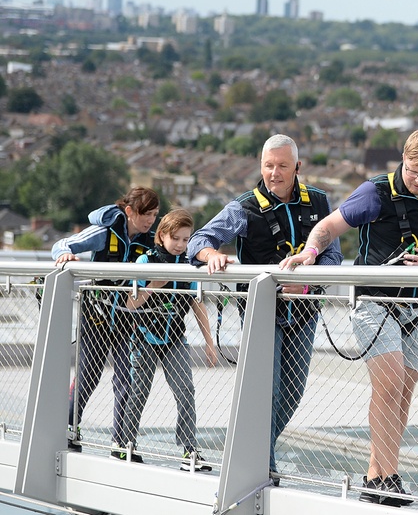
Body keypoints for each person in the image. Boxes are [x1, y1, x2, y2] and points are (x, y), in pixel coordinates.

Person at [282, 128, 418, 507]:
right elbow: (328, 227)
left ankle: (374, 476)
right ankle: (389, 476)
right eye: (412, 171)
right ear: (402, 160)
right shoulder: (375, 192)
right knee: (388, 385)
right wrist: (309, 253)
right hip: (374, 302)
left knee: (402, 394)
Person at [187, 134, 342, 482]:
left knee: (292, 392)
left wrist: (307, 280)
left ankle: (251, 451)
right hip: (260, 314)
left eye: (283, 166)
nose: (274, 173)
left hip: (304, 311)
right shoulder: (244, 207)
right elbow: (199, 240)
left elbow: (334, 254)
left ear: (297, 167)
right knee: (266, 391)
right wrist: (211, 255)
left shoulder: (319, 202)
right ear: (261, 166)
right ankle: (265, 469)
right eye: (269, 166)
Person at [51, 187, 159, 457]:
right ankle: (67, 429)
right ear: (130, 211)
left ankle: (120, 442)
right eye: (146, 214)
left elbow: (174, 250)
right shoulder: (105, 233)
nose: (150, 221)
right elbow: (62, 245)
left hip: (127, 318)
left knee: (127, 378)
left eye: (155, 215)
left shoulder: (149, 241)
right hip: (96, 316)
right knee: (88, 376)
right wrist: (65, 255)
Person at [118, 208, 217, 471]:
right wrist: (154, 285)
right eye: (176, 239)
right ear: (161, 236)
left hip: (175, 338)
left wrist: (209, 343)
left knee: (186, 390)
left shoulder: (188, 265)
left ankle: (189, 450)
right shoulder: (145, 261)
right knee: (139, 391)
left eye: (186, 240)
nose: (181, 245)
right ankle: (125, 445)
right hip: (144, 338)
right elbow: (130, 303)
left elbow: (198, 305)